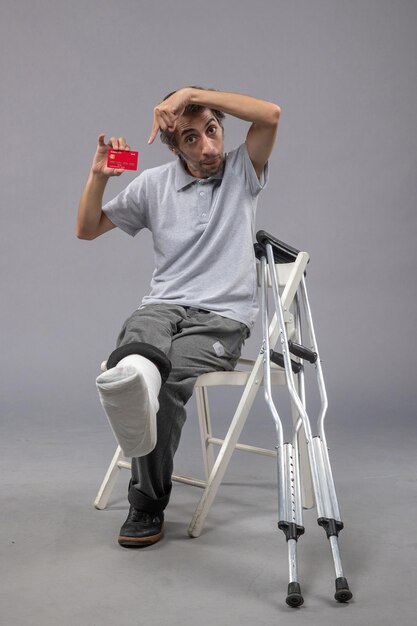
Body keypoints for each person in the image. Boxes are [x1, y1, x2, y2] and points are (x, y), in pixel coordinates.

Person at [76, 86, 280, 548]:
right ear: (173, 146)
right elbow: (86, 229)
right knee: (142, 338)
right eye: (191, 138)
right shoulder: (153, 185)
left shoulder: (242, 171)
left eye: (212, 131)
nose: (208, 147)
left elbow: (270, 114)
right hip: (163, 308)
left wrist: (191, 91)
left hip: (221, 319)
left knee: (163, 385)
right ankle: (133, 376)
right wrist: (98, 176)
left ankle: (146, 503)